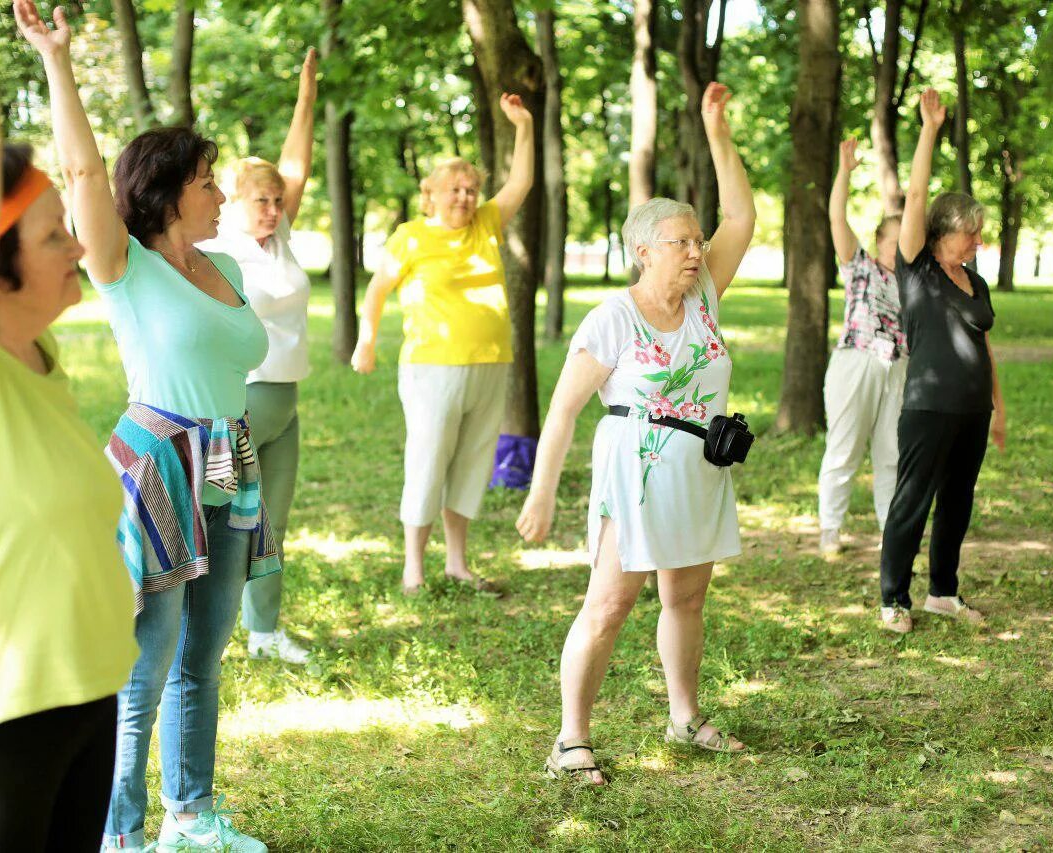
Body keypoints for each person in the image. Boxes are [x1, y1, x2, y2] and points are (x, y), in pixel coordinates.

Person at [16, 1, 276, 849]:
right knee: (146, 664)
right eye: (208, 181)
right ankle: (119, 834)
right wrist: (57, 60)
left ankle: (191, 817)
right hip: (158, 459)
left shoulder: (228, 265)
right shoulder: (124, 267)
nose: (221, 193)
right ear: (166, 190)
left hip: (229, 459)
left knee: (204, 658)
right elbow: (86, 179)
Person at [0, 1, 137, 846]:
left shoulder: (38, 361)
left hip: (89, 703)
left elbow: (89, 190)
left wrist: (58, 68)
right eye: (56, 239)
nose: (80, 250)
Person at [516, 82, 755, 785]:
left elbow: (742, 213)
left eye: (696, 239)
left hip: (703, 468)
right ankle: (570, 739)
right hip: (637, 469)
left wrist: (717, 128)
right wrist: (542, 492)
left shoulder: (704, 295)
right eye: (680, 241)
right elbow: (562, 409)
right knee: (611, 602)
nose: (695, 248)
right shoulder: (613, 317)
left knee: (686, 597)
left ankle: (684, 716)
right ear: (643, 250)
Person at [350, 96, 534, 596]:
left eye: (472, 189)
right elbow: (378, 291)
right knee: (429, 460)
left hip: (491, 365)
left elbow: (521, 183)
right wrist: (367, 341)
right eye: (454, 189)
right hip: (432, 368)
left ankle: (457, 562)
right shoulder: (410, 237)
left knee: (473, 464)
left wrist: (524, 126)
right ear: (429, 194)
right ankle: (414, 567)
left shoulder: (487, 225)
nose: (465, 197)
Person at [200, 49, 318, 666]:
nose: (272, 209)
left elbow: (296, 163)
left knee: (274, 525)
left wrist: (306, 97)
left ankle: (266, 633)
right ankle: (205, 634)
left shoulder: (280, 239)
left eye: (277, 200)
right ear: (236, 203)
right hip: (242, 400)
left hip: (286, 402)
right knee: (226, 523)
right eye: (260, 201)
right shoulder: (222, 247)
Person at [878, 89, 1006, 634]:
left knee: (956, 505)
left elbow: (982, 342)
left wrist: (999, 406)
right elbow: (915, 195)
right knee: (912, 503)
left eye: (978, 233)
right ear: (940, 235)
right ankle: (892, 600)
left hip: (972, 411)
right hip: (928, 408)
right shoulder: (917, 268)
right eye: (968, 234)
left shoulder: (973, 280)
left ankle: (942, 593)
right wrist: (930, 131)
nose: (977, 241)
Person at [818, 137, 906, 555]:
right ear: (878, 241)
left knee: (891, 452)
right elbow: (836, 216)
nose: (902, 249)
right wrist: (845, 172)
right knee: (845, 449)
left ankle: (892, 531)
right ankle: (830, 530)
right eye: (896, 240)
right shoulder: (860, 265)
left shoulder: (913, 280)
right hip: (856, 360)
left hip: (898, 368)